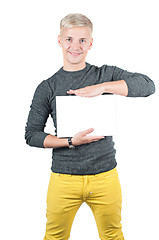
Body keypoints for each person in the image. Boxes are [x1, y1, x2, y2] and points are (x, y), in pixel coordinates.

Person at [25, 13, 155, 240]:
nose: (75, 46)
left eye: (82, 40)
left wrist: (102, 87)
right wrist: (70, 142)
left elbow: (147, 85)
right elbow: (32, 135)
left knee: (113, 235)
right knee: (54, 237)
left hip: (105, 175)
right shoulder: (47, 86)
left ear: (91, 43)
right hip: (64, 177)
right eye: (69, 39)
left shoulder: (104, 74)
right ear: (59, 40)